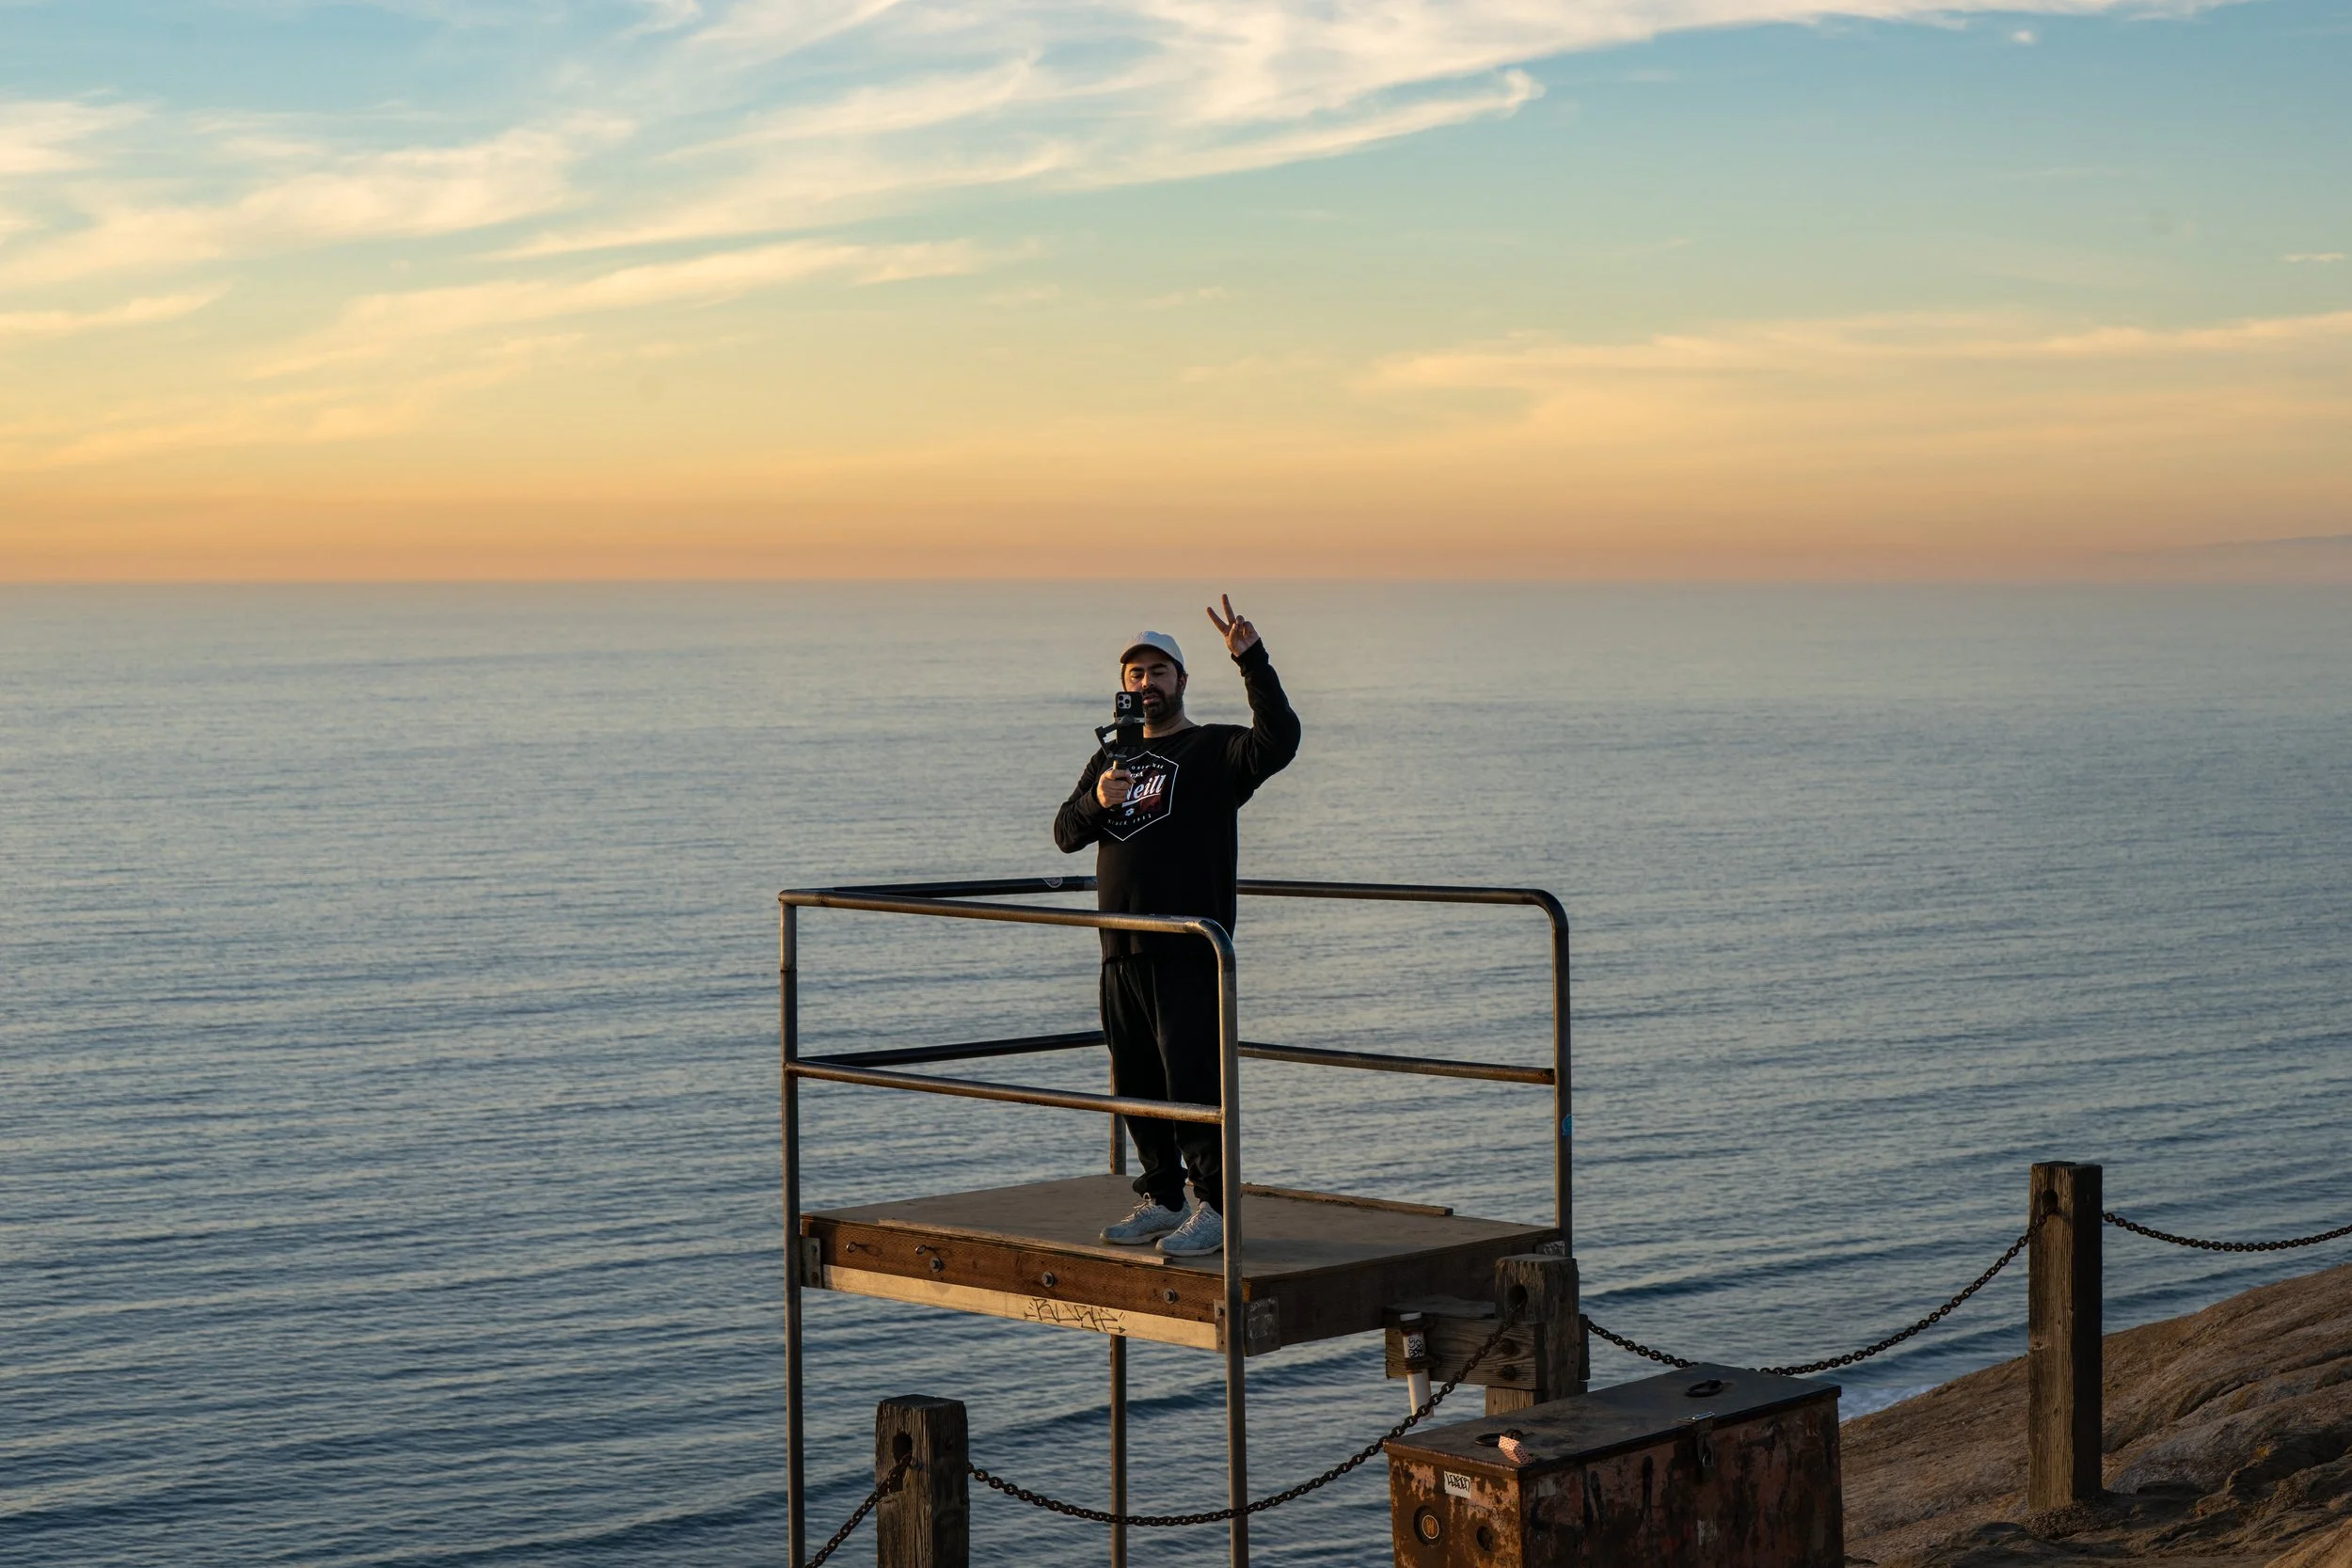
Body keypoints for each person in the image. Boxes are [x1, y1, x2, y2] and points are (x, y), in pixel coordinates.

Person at [1052, 596, 1302, 1257]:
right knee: (1135, 1083)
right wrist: (1093, 799)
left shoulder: (1214, 749)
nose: (1146, 683)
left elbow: (1281, 741)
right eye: (1136, 673)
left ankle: (1215, 1206)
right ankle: (1162, 1197)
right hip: (1120, 951)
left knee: (1193, 1082)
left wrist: (1253, 660)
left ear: (1182, 680)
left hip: (1188, 949)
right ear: (1123, 685)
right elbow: (1063, 834)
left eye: (1159, 671)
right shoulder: (1111, 758)